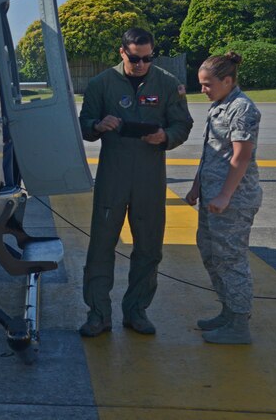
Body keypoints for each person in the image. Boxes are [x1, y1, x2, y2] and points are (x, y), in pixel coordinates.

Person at [78, 28, 193, 337]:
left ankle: (136, 311)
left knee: (149, 247)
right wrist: (98, 125)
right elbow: (84, 125)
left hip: (149, 178)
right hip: (112, 176)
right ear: (122, 53)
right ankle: (98, 314)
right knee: (101, 245)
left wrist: (165, 137)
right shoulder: (100, 84)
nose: (141, 64)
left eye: (147, 58)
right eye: (134, 58)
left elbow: (183, 123)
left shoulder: (167, 84)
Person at [184, 52, 261, 344]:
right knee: (210, 253)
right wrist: (196, 187)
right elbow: (213, 154)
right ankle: (229, 311)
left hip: (233, 200)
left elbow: (241, 157)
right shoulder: (220, 105)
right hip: (214, 197)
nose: (203, 89)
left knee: (231, 259)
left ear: (227, 80)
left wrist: (226, 195)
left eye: (207, 84)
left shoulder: (241, 108)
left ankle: (239, 324)